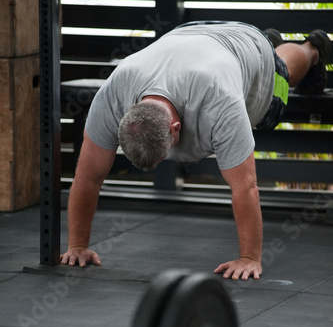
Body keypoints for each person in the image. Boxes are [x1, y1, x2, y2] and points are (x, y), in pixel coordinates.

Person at [60, 21, 331, 280]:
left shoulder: (218, 102)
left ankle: (310, 48)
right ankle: (268, 43)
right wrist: (77, 245)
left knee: (278, 87)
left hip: (244, 49)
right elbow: (88, 177)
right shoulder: (112, 97)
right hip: (190, 35)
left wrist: (249, 258)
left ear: (176, 128)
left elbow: (245, 186)